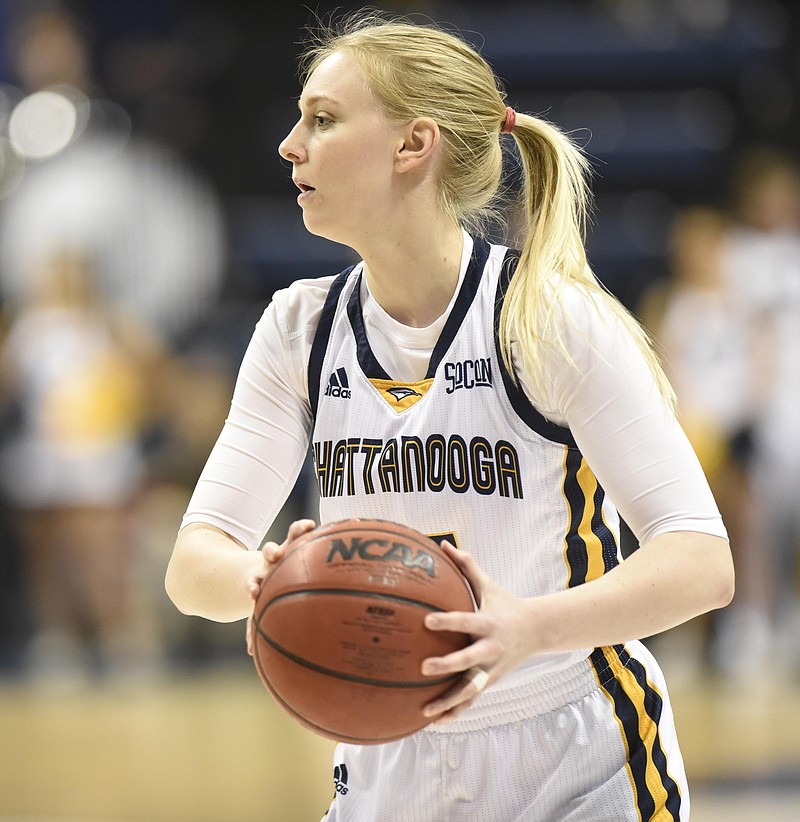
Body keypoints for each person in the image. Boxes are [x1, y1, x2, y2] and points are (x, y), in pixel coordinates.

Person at [165, 10, 734, 821]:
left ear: (413, 144)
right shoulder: (299, 329)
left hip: (575, 757)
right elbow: (193, 566)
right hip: (384, 753)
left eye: (322, 120)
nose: (290, 145)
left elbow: (701, 562)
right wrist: (263, 580)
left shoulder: (547, 318)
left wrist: (530, 627)